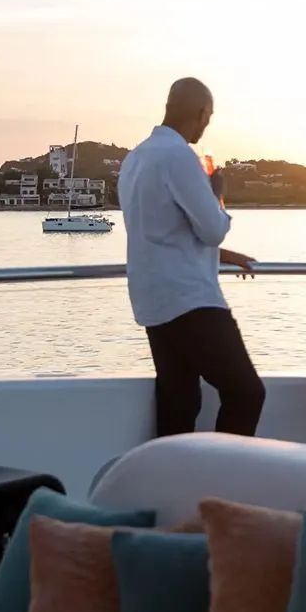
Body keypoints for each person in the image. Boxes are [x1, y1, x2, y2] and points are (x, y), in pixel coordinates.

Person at [118, 77, 266, 437]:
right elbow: (212, 229)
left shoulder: (135, 159)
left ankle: (170, 471)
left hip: (152, 299)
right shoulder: (180, 157)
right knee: (246, 393)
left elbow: (159, 231)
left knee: (180, 401)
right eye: (208, 117)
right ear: (201, 113)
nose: (206, 125)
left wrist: (222, 255)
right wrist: (217, 194)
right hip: (189, 300)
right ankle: (221, 469)